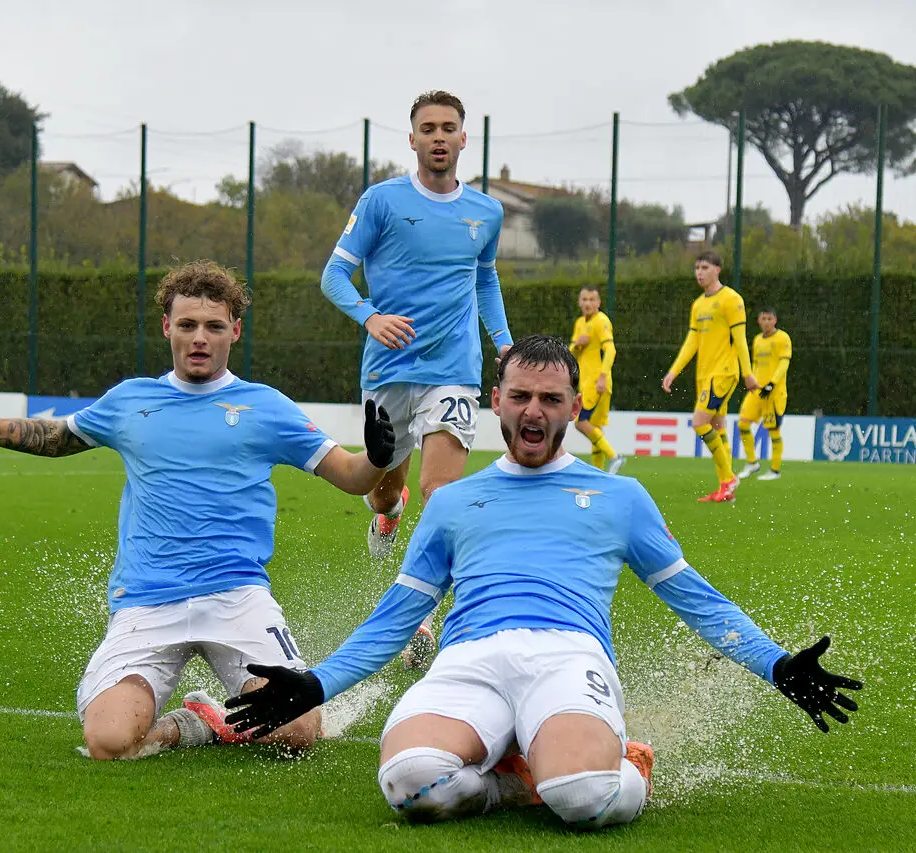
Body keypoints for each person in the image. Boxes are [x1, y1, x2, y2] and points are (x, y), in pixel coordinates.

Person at [225, 335, 861, 832]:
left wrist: (777, 665)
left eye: (551, 400)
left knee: (583, 797)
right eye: (521, 396)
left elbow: (696, 599)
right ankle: (514, 780)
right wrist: (315, 685)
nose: (534, 411)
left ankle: (623, 763)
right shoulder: (452, 503)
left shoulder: (621, 497)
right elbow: (396, 618)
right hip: (468, 659)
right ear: (496, 401)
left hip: (568, 656)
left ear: (574, 408)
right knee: (411, 785)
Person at [0, 261, 398, 761]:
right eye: (187, 325)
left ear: (235, 331)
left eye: (214, 326)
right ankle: (195, 725)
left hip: (237, 595)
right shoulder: (129, 401)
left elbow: (351, 477)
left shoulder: (265, 406)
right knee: (109, 742)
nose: (200, 338)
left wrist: (376, 458)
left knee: (297, 732)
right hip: (148, 601)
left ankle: (223, 717)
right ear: (166, 327)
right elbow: (55, 438)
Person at [320, 89, 514, 667]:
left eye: (447, 127)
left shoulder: (486, 212)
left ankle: (419, 614)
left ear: (463, 139)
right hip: (388, 370)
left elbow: (485, 280)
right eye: (427, 128)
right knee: (383, 488)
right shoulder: (381, 201)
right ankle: (389, 509)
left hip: (454, 370)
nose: (438, 136)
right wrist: (369, 317)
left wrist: (504, 344)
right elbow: (334, 276)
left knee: (442, 493)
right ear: (412, 139)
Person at [661, 251, 759, 503]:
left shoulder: (731, 300)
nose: (699, 273)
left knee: (699, 422)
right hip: (704, 375)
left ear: (718, 269)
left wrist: (748, 374)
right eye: (697, 268)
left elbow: (741, 340)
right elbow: (691, 341)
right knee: (717, 427)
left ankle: (728, 478)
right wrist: (674, 371)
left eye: (705, 267)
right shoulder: (698, 305)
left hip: (724, 373)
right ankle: (726, 489)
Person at [569, 285, 623, 473]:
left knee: (580, 422)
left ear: (599, 302)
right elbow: (571, 355)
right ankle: (599, 473)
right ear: (579, 302)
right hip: (586, 383)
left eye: (592, 299)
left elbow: (611, 350)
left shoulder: (601, 321)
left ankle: (614, 456)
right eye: (584, 299)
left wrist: (602, 377)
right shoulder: (580, 323)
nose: (588, 303)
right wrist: (577, 344)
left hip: (596, 382)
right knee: (595, 427)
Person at [738, 307, 792, 481]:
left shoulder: (783, 338)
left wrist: (772, 384)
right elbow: (756, 365)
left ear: (775, 320)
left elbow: (784, 364)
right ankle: (752, 463)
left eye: (769, 318)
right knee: (742, 424)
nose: (766, 322)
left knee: (773, 430)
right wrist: (752, 380)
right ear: (759, 321)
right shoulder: (757, 340)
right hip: (757, 391)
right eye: (763, 318)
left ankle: (775, 470)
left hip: (774, 393)